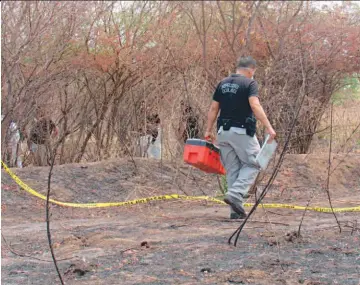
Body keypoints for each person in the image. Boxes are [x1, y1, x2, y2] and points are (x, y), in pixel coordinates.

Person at [205, 56, 276, 219]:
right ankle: (236, 194)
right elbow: (254, 105)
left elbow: (214, 108)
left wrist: (208, 130)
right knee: (255, 163)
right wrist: (268, 126)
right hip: (241, 131)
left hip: (223, 132)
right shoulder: (249, 83)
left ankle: (235, 211)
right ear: (251, 70)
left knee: (233, 170)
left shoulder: (222, 83)